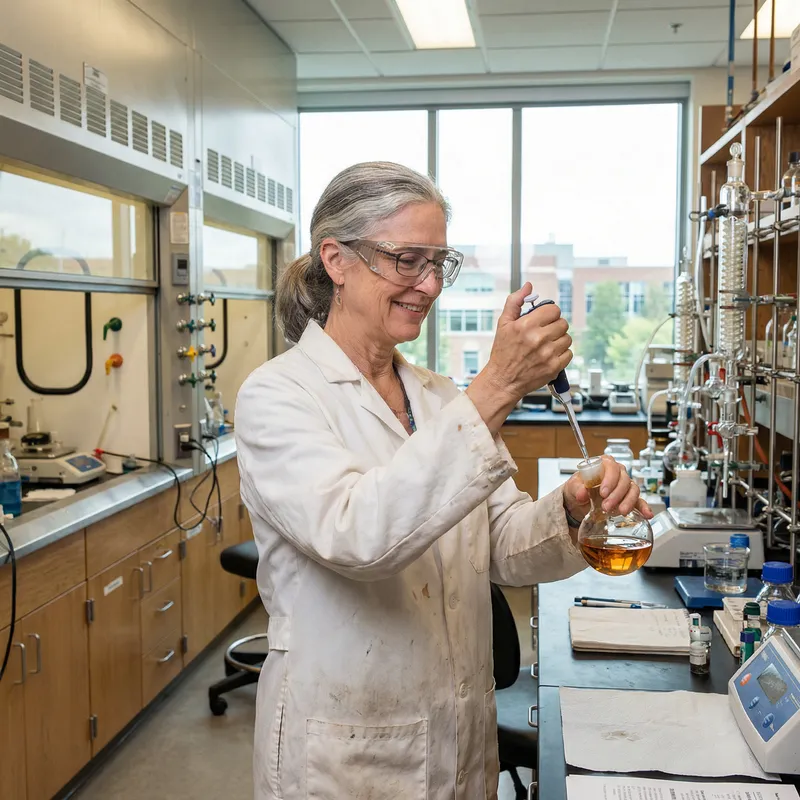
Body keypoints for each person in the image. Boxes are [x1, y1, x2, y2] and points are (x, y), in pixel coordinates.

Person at [235, 161, 652, 800]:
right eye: (407, 260)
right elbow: (360, 536)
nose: (428, 285)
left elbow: (502, 544)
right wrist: (498, 385)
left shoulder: (437, 396)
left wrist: (570, 511)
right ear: (336, 260)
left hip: (459, 736)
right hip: (348, 752)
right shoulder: (279, 395)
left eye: (439, 263)